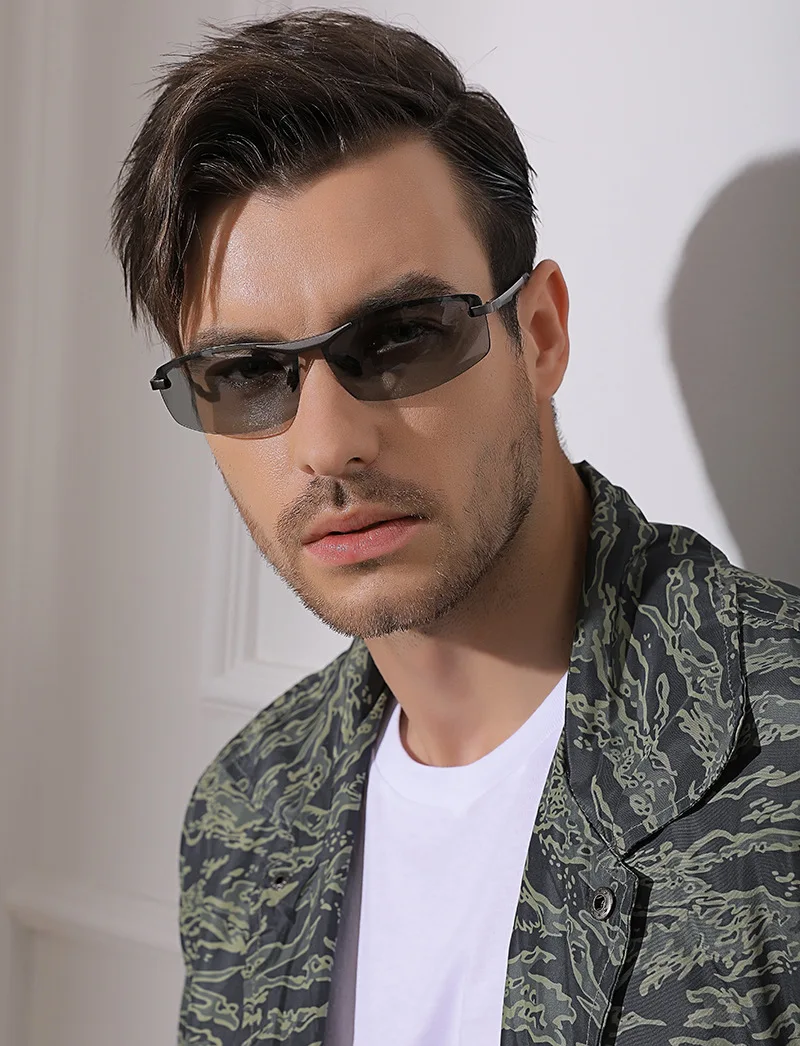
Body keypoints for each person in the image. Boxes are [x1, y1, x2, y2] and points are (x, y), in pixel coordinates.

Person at [109, 10, 800, 1045]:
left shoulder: (778, 746)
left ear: (540, 335)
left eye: (400, 336)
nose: (327, 444)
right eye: (247, 372)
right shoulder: (245, 816)